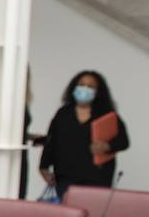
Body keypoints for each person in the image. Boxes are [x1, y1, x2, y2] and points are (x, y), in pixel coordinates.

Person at [40, 70, 129, 199]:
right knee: (68, 215)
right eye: (81, 85)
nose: (85, 89)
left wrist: (107, 146)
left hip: (98, 177)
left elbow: (124, 141)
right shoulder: (63, 113)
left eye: (90, 86)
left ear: (98, 91)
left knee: (92, 215)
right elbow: (51, 141)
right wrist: (44, 167)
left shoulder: (106, 114)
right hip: (65, 177)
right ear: (74, 87)